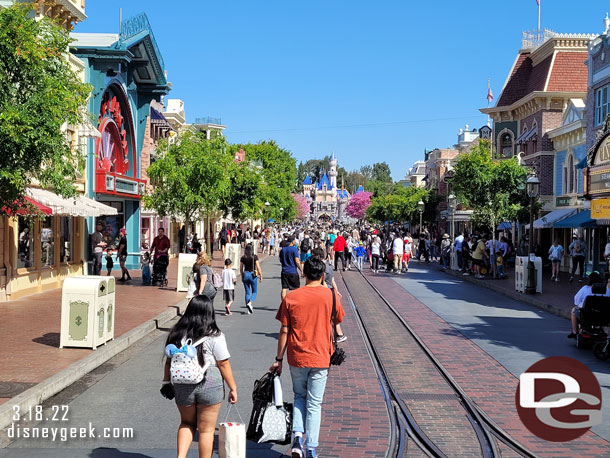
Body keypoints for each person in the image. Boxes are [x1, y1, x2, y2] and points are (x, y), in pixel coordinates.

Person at [270, 256, 345, 458]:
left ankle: (297, 438)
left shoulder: (291, 297)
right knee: (315, 403)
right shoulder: (330, 296)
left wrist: (278, 359)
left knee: (299, 396)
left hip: (297, 356)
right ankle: (311, 447)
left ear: (303, 274)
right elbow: (338, 319)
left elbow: (284, 330)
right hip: (321, 356)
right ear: (322, 276)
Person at [162, 295, 237, 458]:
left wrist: (166, 382)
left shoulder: (175, 334)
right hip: (210, 382)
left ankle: (180, 457)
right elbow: (223, 364)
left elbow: (168, 362)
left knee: (186, 423)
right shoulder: (215, 336)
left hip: (182, 383)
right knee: (207, 430)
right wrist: (233, 388)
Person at [568, 271, 610, 338]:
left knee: (573, 310)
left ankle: (574, 332)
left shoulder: (585, 289)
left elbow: (576, 301)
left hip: (587, 315)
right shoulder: (607, 290)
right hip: (603, 316)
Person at [240, 244, 263, 314]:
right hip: (253, 274)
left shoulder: (243, 257)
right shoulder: (254, 257)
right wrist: (261, 275)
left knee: (247, 292)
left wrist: (242, 275)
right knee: (254, 292)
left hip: (245, 274)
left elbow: (241, 268)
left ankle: (248, 307)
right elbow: (258, 267)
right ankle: (250, 303)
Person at [279, 236, 303, 300]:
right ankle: (295, 302)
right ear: (292, 241)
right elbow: (297, 261)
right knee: (296, 289)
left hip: (284, 271)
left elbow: (281, 260)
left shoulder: (282, 250)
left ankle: (283, 303)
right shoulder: (294, 249)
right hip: (292, 271)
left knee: (284, 288)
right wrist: (301, 270)